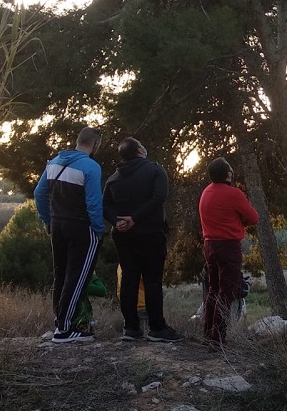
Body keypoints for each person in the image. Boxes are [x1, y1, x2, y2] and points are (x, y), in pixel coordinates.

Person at [102, 137, 183, 343]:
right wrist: (135, 218)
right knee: (152, 280)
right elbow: (159, 198)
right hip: (150, 233)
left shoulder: (113, 178)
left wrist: (117, 221)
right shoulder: (155, 170)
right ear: (139, 151)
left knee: (129, 279)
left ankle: (130, 328)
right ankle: (157, 328)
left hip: (122, 235)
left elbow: (105, 206)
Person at [34, 126, 104, 344]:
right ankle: (65, 330)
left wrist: (47, 221)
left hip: (58, 225)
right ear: (95, 144)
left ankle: (60, 321)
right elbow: (93, 203)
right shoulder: (91, 167)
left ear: (78, 141)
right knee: (77, 277)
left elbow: (39, 193)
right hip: (81, 228)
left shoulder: (54, 162)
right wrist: (99, 230)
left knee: (61, 275)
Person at [198, 157, 258, 346]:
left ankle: (208, 333)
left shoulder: (206, 192)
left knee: (213, 289)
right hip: (229, 247)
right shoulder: (233, 194)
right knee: (227, 292)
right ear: (228, 174)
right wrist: (240, 221)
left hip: (209, 245)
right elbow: (253, 217)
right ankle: (218, 338)